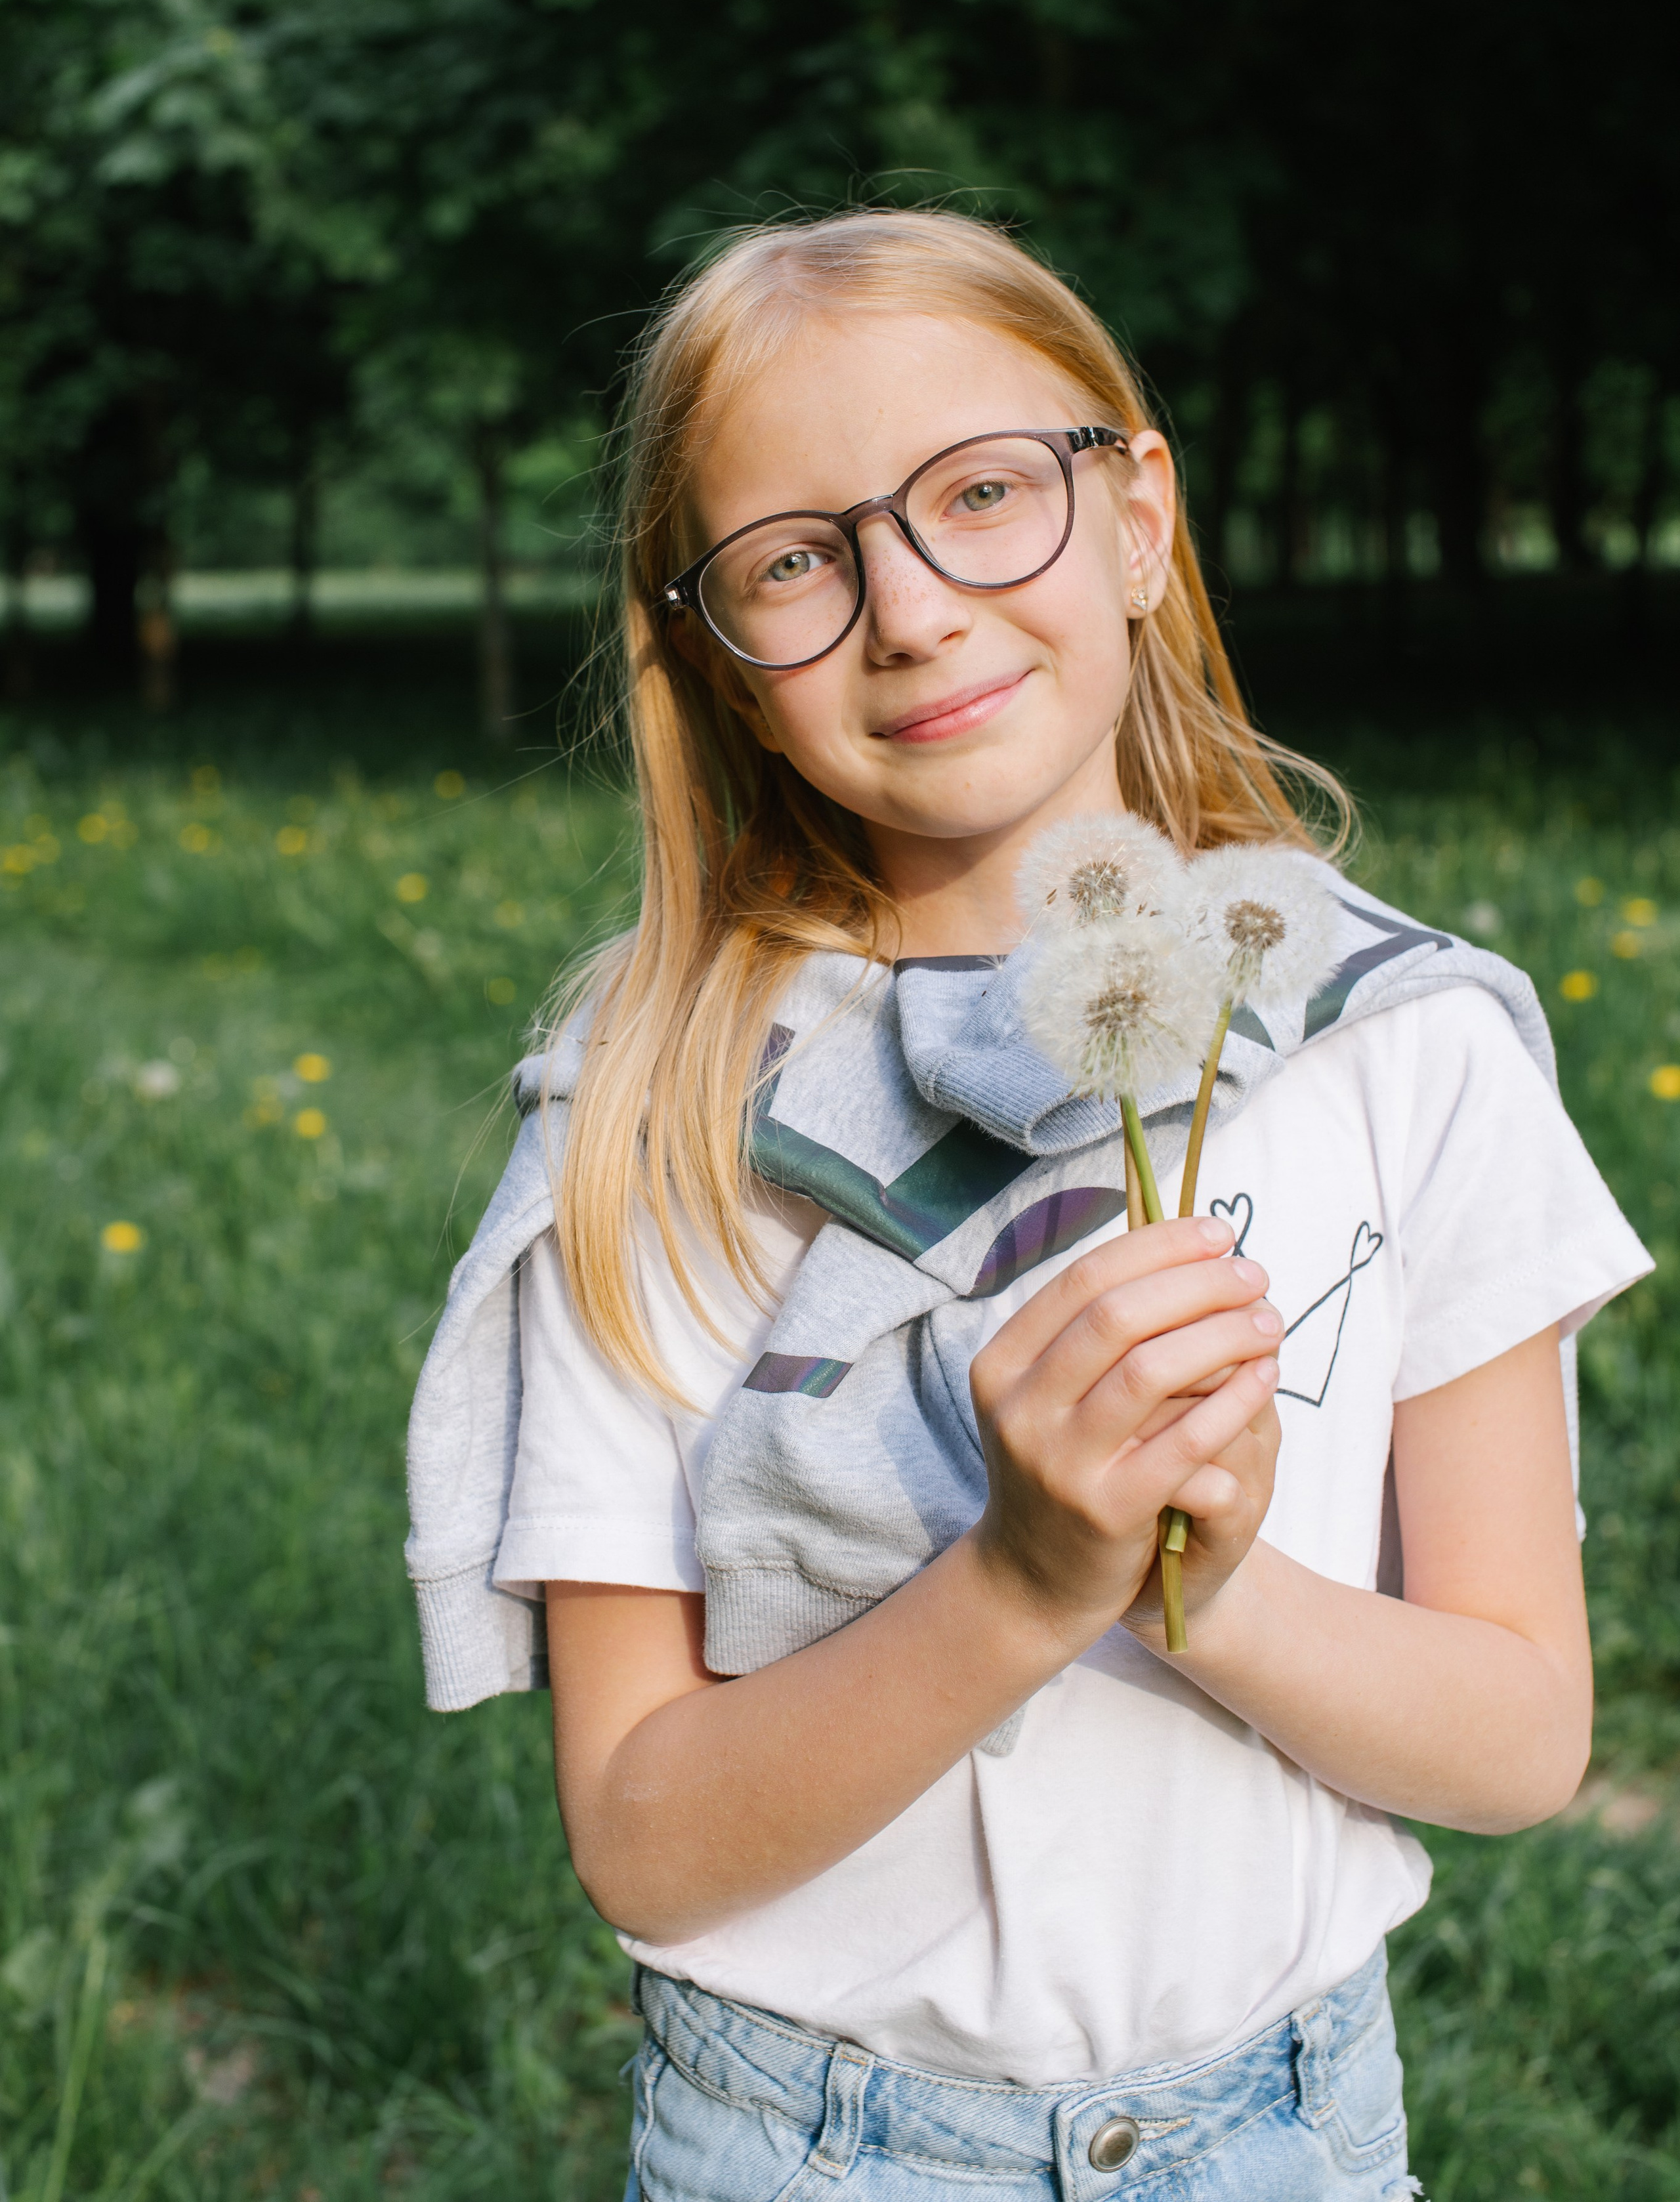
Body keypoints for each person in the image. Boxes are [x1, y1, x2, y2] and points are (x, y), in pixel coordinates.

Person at [404, 210, 1650, 2202]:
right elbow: (645, 1835)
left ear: (1139, 517)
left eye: (982, 494)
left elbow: (1515, 1743)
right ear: (715, 659)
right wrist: (1026, 1581)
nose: (908, 607)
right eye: (797, 560)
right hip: (805, 2145)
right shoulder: (652, 1130)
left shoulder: (1401, 1057)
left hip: (1292, 2140)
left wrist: (1208, 1582)